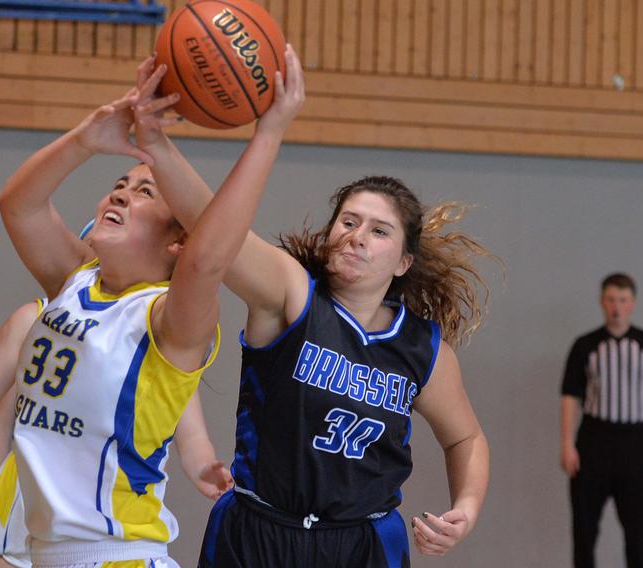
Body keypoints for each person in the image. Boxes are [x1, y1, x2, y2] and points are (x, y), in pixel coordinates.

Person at [130, 46, 490, 567]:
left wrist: (468, 506)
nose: (357, 235)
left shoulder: (421, 347)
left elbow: (467, 438)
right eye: (348, 221)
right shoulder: (290, 293)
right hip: (260, 531)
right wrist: (157, 146)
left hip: (362, 542)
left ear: (404, 262)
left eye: (378, 230)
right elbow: (215, 230)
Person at [0, 43, 301, 567]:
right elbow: (18, 204)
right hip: (43, 554)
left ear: (178, 241)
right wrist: (86, 138)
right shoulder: (74, 281)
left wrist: (268, 135)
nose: (119, 195)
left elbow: (208, 261)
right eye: (118, 184)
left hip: (118, 554)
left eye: (143, 193)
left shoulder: (167, 319)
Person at [0, 299, 232, 568]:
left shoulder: (160, 335)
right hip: (31, 506)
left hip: (108, 524)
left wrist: (204, 467)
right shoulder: (37, 318)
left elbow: (192, 435)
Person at [560, 273, 643, 568]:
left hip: (634, 443)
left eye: (623, 300)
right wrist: (567, 444)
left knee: (638, 533)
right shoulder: (585, 345)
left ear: (632, 303)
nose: (616, 307)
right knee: (584, 531)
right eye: (611, 299)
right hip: (593, 440)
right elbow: (570, 395)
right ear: (602, 302)